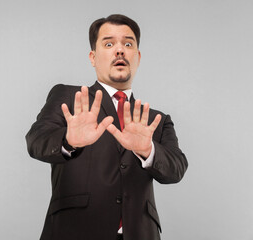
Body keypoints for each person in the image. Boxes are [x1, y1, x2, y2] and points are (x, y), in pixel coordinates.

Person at [26, 14, 188, 240]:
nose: (120, 50)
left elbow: (177, 168)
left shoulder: (155, 120)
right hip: (73, 232)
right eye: (109, 44)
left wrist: (148, 151)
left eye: (128, 44)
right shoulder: (69, 97)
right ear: (93, 57)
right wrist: (68, 141)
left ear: (138, 57)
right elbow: (36, 141)